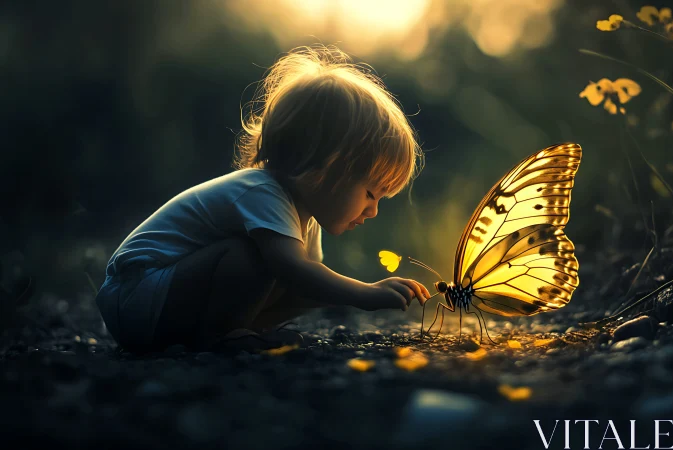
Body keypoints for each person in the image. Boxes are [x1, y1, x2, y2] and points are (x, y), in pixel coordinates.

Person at [95, 45, 431, 354]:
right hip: (136, 297)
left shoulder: (304, 215)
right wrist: (364, 293)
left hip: (162, 302)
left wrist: (345, 291)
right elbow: (293, 269)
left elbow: (305, 280)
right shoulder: (263, 191)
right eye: (370, 193)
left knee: (308, 287)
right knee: (256, 258)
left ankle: (230, 333)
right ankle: (223, 336)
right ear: (323, 167)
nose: (372, 211)